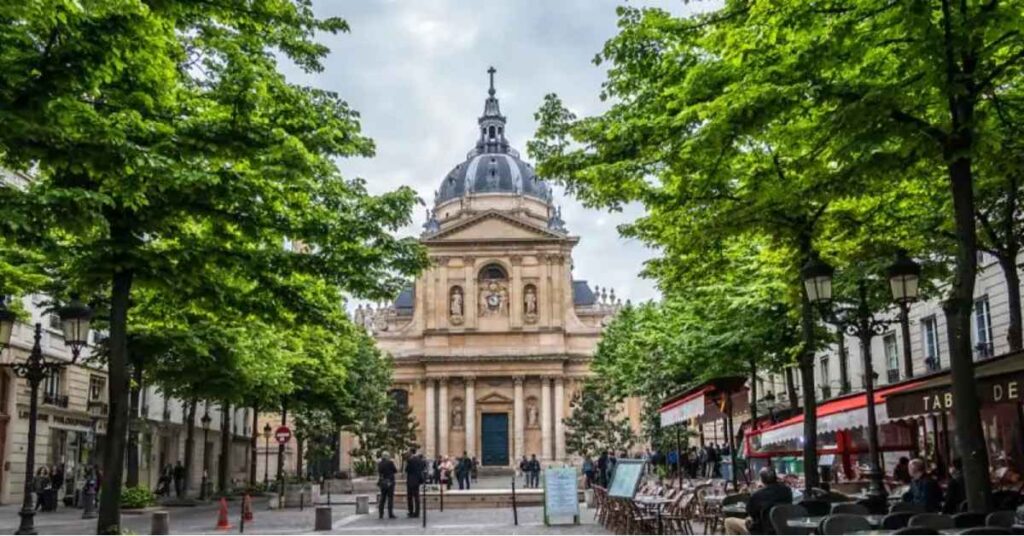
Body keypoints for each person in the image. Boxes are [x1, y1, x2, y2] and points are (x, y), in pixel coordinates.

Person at [723, 467, 793, 535]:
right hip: (782, 528)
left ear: (762, 480)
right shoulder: (787, 491)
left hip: (762, 530)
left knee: (729, 522)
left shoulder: (758, 495)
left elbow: (750, 511)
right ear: (775, 477)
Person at [376, 452, 397, 519]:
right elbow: (395, 470)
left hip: (383, 482)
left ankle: (381, 514)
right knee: (390, 498)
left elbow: (379, 472)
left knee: (382, 498)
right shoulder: (390, 462)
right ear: (387, 456)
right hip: (390, 482)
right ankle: (390, 514)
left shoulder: (380, 463)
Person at [404, 449, 424, 518]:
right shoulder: (419, 460)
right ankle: (417, 512)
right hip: (417, 480)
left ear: (411, 453)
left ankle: (411, 511)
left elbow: (407, 470)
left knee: (410, 497)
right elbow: (422, 467)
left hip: (411, 481)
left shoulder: (410, 460)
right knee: (416, 497)